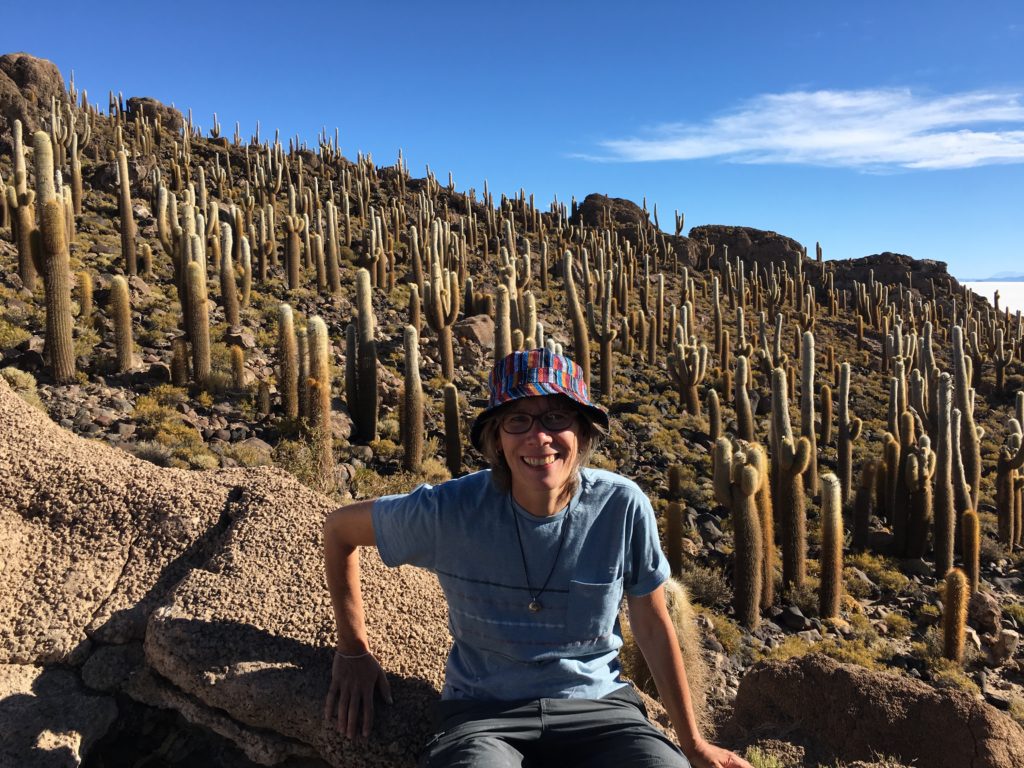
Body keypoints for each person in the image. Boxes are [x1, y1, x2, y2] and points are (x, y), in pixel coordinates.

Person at [323, 349, 751, 768]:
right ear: (496, 438)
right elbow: (339, 529)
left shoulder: (621, 506)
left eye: (555, 417)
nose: (539, 436)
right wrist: (354, 650)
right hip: (483, 717)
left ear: (582, 433)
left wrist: (693, 744)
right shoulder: (450, 511)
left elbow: (654, 625)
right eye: (517, 420)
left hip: (601, 711)